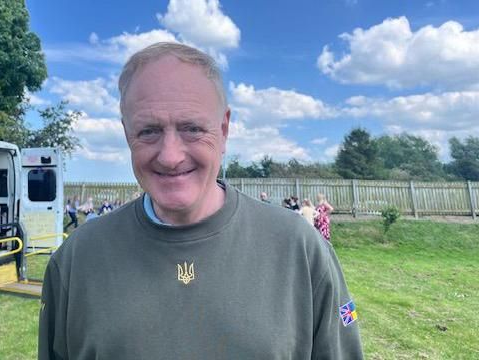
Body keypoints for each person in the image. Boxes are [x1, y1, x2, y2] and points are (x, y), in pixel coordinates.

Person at [39, 42, 362, 359]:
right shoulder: (75, 261)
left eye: (191, 128)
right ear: (127, 135)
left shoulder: (300, 249)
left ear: (223, 129)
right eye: (149, 131)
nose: (170, 156)